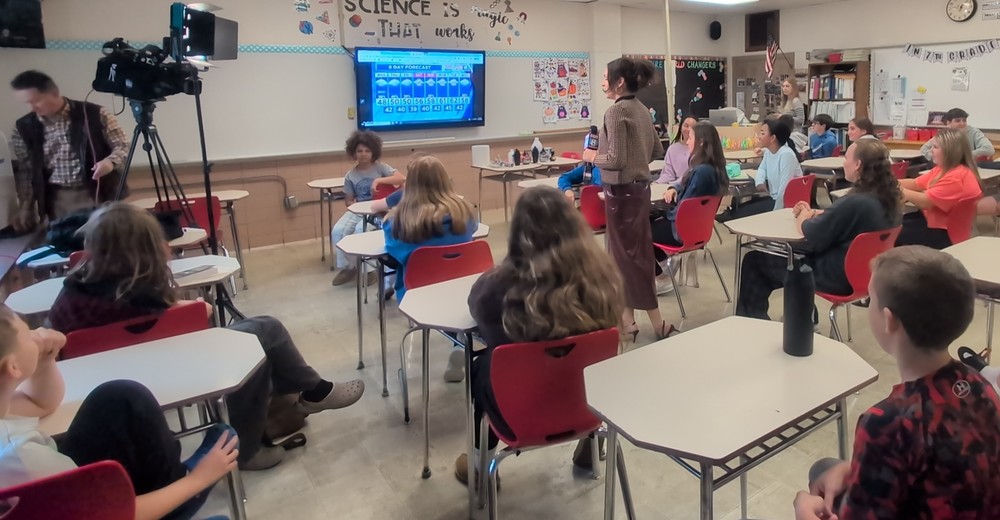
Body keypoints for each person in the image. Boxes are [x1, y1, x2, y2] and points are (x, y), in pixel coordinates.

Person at [47, 203, 364, 471]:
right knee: (260, 339)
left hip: (105, 395)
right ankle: (263, 435)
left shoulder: (70, 298)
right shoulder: (148, 291)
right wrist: (193, 308)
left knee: (260, 333)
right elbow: (202, 320)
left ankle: (309, 395)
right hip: (185, 375)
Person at [793, 246, 1000, 520]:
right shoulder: (978, 382)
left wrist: (803, 511)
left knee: (815, 482)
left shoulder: (887, 422)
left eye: (871, 299)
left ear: (889, 320)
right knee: (826, 468)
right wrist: (855, 469)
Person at [452, 187, 624, 485]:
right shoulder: (604, 280)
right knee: (597, 351)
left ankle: (481, 467)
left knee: (484, 363)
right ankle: (591, 446)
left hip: (519, 411)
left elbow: (479, 312)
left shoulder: (497, 289)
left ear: (519, 233)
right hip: (588, 403)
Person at [0, 307, 239, 520]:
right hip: (84, 510)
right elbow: (106, 514)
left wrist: (43, 360)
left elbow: (40, 403)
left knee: (117, 397)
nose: (36, 334)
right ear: (12, 366)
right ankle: (179, 497)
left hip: (40, 492)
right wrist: (199, 479)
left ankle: (172, 493)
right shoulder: (21, 453)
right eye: (27, 333)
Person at [736, 140, 901, 319]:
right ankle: (804, 317)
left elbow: (809, 232)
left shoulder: (854, 201)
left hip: (834, 276)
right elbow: (846, 220)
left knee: (756, 261)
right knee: (790, 253)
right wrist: (818, 212)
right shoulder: (888, 199)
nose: (843, 162)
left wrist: (804, 215)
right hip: (864, 274)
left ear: (858, 164)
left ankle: (754, 322)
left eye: (846, 158)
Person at [585, 57, 666, 340]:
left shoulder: (616, 112)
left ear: (620, 82)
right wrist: (635, 161)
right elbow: (656, 150)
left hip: (622, 194)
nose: (603, 81)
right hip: (638, 190)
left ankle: (657, 322)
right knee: (624, 258)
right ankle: (627, 320)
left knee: (631, 259)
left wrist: (593, 157)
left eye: (606, 76)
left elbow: (616, 159)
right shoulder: (642, 109)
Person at [383, 155, 477, 382]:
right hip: (462, 288)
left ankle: (453, 340)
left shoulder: (398, 221)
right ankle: (457, 342)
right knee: (450, 285)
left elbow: (394, 254)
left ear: (410, 184)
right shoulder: (465, 212)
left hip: (418, 295)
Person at [8, 70, 129, 231]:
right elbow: (27, 171)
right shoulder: (24, 127)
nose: (33, 108)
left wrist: (110, 162)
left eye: (36, 101)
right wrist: (26, 206)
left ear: (54, 93)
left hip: (97, 192)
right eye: (27, 103)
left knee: (106, 239)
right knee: (66, 242)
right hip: (56, 198)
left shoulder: (95, 114)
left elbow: (122, 145)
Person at [651, 122, 729, 300]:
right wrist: (674, 189)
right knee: (651, 220)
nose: (687, 142)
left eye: (691, 137)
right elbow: (687, 191)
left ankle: (661, 276)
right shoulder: (716, 169)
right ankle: (665, 265)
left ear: (701, 142)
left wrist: (664, 212)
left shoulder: (700, 171)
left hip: (682, 231)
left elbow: (683, 209)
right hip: (699, 232)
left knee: (639, 229)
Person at [330, 130, 405, 286]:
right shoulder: (350, 175)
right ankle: (349, 267)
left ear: (373, 152)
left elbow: (401, 178)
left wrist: (378, 181)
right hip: (358, 210)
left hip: (379, 209)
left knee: (359, 231)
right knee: (338, 231)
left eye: (367, 151)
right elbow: (348, 201)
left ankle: (369, 272)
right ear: (354, 153)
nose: (363, 154)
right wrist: (356, 207)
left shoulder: (380, 167)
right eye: (359, 151)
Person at [897, 128, 983, 249]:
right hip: (933, 221)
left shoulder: (956, 177)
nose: (931, 151)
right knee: (890, 224)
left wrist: (894, 187)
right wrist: (889, 181)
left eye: (935, 147)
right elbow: (915, 183)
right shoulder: (945, 169)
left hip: (942, 232)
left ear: (950, 151)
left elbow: (926, 202)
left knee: (889, 233)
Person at [727, 118, 803, 219]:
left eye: (762, 133)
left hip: (785, 203)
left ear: (772, 138)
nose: (759, 137)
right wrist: (759, 182)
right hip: (773, 197)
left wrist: (775, 214)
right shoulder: (769, 151)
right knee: (737, 209)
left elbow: (784, 189)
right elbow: (762, 168)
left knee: (739, 215)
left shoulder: (786, 155)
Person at [919, 108, 995, 162]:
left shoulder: (973, 132)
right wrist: (940, 158)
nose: (962, 123)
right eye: (957, 121)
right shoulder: (944, 134)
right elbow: (924, 149)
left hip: (968, 168)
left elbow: (989, 149)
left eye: (964, 120)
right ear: (948, 123)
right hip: (948, 168)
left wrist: (962, 157)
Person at [656, 114, 697, 186]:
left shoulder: (701, 149)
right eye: (686, 126)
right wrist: (657, 183)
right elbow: (668, 174)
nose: (689, 129)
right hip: (673, 186)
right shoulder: (672, 149)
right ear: (680, 127)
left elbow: (692, 176)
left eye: (693, 127)